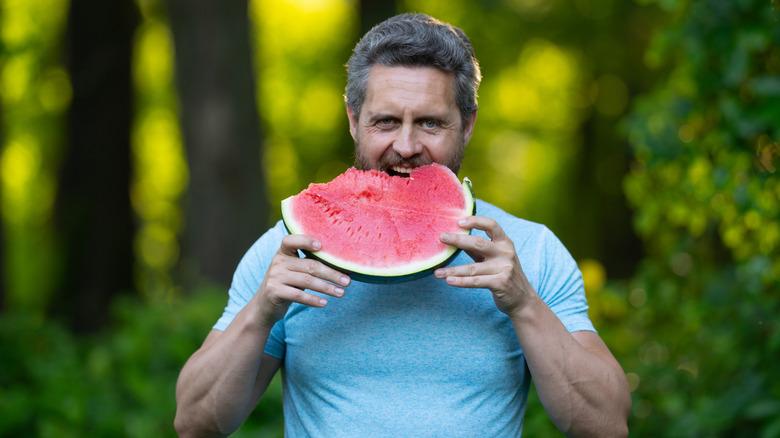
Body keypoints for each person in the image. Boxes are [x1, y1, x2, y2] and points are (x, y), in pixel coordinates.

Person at [174, 13, 631, 437]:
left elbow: (607, 424)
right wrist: (260, 313)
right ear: (355, 122)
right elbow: (194, 422)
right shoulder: (290, 252)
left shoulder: (527, 252)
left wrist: (525, 304)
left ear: (467, 125)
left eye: (431, 123)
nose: (407, 144)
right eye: (386, 121)